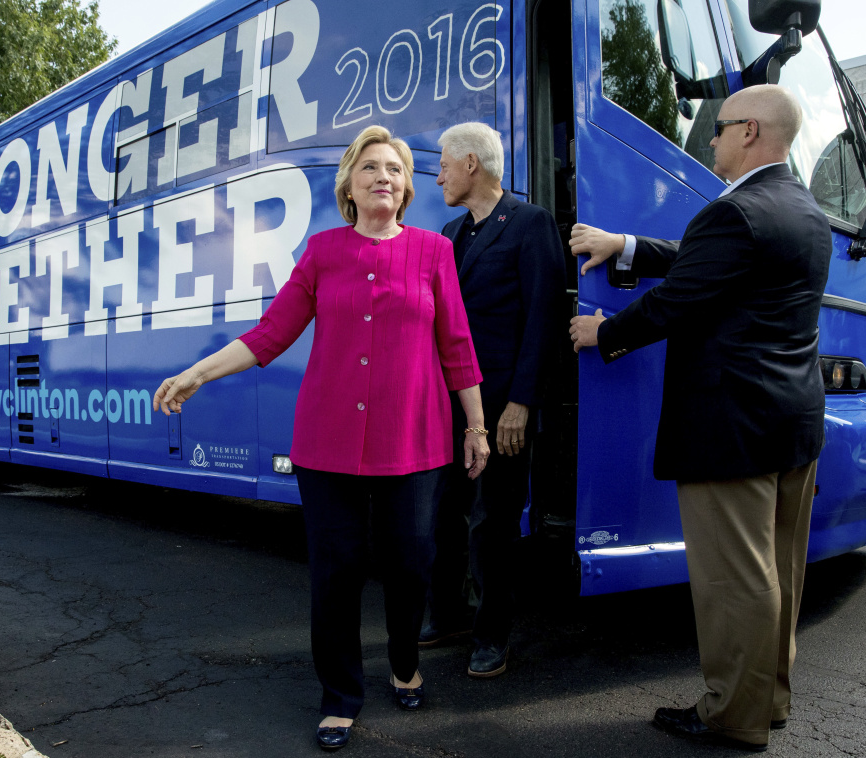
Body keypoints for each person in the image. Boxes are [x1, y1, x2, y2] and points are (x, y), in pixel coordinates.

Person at [153, 125, 490, 752]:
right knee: (335, 574)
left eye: (393, 168)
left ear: (407, 186)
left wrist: (475, 425)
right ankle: (340, 696)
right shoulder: (322, 252)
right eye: (370, 169)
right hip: (327, 442)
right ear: (350, 187)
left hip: (414, 440)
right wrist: (197, 371)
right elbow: (268, 335)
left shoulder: (433, 253)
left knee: (411, 564)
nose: (383, 176)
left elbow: (457, 346)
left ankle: (402, 658)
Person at [569, 85, 831, 752]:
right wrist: (625, 243)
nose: (706, 140)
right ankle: (764, 699)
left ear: (747, 132)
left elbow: (676, 301)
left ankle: (729, 716)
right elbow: (713, 265)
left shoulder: (738, 211)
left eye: (714, 129)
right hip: (790, 422)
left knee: (734, 582)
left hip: (728, 429)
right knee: (776, 571)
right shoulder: (800, 207)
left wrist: (603, 333)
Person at [421, 122, 566, 677]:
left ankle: (491, 634)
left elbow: (544, 319)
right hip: (453, 406)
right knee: (443, 516)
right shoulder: (453, 233)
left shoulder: (530, 224)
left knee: (493, 521)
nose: (438, 174)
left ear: (471, 165)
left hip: (505, 406)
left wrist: (522, 403)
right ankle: (450, 615)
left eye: (443, 164)